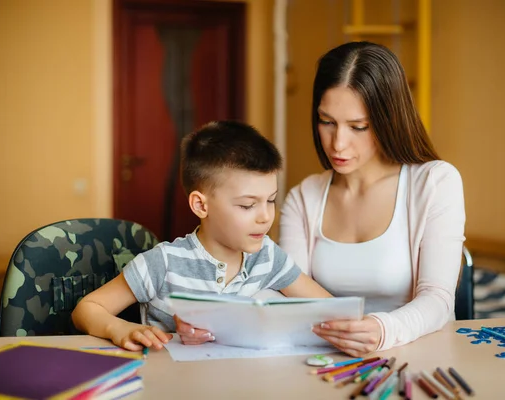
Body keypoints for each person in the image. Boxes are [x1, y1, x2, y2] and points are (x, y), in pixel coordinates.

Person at [72, 121, 331, 351]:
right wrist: (120, 329)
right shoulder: (164, 262)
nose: (265, 216)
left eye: (271, 200)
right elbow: (87, 309)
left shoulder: (268, 257)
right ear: (200, 205)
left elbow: (330, 309)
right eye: (247, 205)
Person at [279, 41, 466, 357]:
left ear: (387, 120)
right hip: (328, 361)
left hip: (421, 358)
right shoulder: (304, 197)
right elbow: (285, 293)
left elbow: (437, 298)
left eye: (358, 127)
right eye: (327, 122)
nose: (338, 143)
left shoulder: (435, 182)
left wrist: (382, 330)